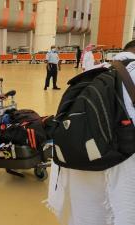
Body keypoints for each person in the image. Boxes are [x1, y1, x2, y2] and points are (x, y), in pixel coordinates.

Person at [46, 40, 135, 225]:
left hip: (79, 157)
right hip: (117, 162)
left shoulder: (94, 71)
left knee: (83, 213)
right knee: (119, 211)